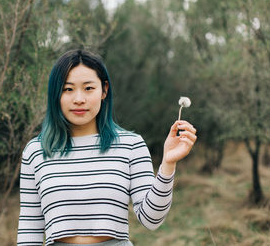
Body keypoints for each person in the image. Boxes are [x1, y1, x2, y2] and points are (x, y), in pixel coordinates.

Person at [17, 49, 197, 246]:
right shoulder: (36, 151)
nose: (79, 99)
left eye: (88, 88)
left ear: (104, 90)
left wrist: (168, 164)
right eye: (68, 89)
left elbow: (151, 219)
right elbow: (30, 226)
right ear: (55, 94)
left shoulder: (130, 145)